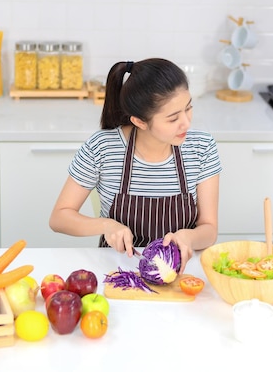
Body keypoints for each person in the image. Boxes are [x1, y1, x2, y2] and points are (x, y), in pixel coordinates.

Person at [49, 58, 221, 273]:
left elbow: (209, 229)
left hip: (182, 272)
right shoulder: (102, 148)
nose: (186, 122)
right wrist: (106, 225)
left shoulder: (201, 147)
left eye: (188, 109)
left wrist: (190, 237)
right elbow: (59, 218)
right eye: (173, 118)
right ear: (140, 121)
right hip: (119, 271)